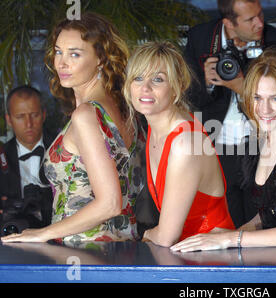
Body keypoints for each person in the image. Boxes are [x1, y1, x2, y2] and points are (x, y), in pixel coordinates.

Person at [1, 12, 145, 243]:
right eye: (58, 51)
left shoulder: (87, 115)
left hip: (85, 249)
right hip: (123, 246)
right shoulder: (126, 109)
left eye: (74, 54)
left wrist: (43, 233)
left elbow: (110, 203)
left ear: (100, 58)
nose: (61, 63)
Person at [171, 48, 276, 252]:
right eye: (257, 98)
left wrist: (232, 239)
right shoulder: (266, 136)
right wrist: (225, 235)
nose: (264, 109)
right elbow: (272, 215)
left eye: (275, 98)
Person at [184, 0, 276, 228]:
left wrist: (243, 87)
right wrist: (206, 82)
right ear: (228, 24)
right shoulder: (200, 38)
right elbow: (188, 97)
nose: (260, 23)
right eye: (250, 19)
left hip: (261, 143)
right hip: (215, 143)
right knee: (223, 217)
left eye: (260, 15)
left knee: (260, 217)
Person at [123, 41, 235, 247]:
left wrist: (147, 234)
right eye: (138, 78)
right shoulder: (156, 128)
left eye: (157, 79)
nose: (145, 88)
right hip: (183, 256)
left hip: (212, 263)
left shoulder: (185, 142)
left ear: (177, 86)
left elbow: (166, 237)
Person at [0, 86, 54, 230]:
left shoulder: (62, 148)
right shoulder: (1, 156)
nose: (28, 124)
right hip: (13, 237)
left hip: (60, 230)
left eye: (34, 115)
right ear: (9, 120)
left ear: (43, 115)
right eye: (20, 117)